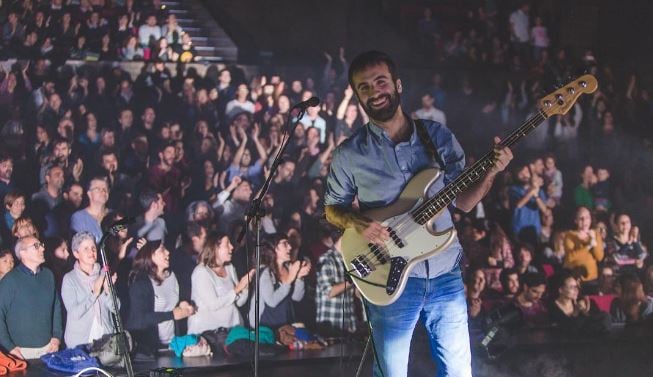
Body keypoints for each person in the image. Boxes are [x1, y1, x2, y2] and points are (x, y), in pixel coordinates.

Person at [324, 51, 513, 377]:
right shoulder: (349, 154)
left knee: (458, 371)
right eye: (364, 87)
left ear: (397, 84)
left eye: (380, 81)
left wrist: (491, 172)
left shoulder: (437, 137)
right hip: (389, 277)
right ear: (357, 96)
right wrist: (357, 222)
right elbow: (332, 209)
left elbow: (464, 202)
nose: (374, 91)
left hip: (445, 274)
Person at [126, 240, 195, 357]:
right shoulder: (141, 282)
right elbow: (139, 319)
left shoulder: (171, 275)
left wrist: (184, 302)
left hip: (172, 345)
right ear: (150, 256)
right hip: (149, 350)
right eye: (162, 250)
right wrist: (172, 315)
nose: (168, 252)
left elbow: (177, 299)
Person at [0, 235, 63, 359]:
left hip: (48, 349)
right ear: (23, 253)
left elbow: (56, 308)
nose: (42, 249)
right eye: (36, 246)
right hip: (21, 352)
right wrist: (9, 346)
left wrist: (56, 337)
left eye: (41, 245)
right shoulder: (10, 280)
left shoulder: (48, 275)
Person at [188, 233, 254, 334]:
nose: (232, 247)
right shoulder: (201, 272)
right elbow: (213, 305)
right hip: (208, 332)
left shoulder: (230, 268)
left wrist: (245, 288)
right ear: (215, 248)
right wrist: (238, 288)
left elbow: (239, 302)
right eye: (227, 244)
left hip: (231, 327)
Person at [61, 231, 118, 348]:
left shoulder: (104, 273)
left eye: (93, 248)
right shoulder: (70, 279)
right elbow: (74, 314)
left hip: (106, 340)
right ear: (76, 253)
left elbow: (116, 308)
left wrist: (108, 291)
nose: (91, 251)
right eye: (86, 248)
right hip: (80, 342)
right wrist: (94, 293)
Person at [248, 233, 311, 329]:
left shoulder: (287, 268)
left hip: (285, 323)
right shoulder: (264, 272)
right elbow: (272, 301)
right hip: (265, 326)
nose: (290, 247)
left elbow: (296, 298)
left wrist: (299, 277)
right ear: (273, 248)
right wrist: (290, 278)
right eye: (285, 244)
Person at [315, 232, 358, 335]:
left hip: (349, 323)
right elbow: (329, 292)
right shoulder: (327, 259)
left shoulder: (348, 260)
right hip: (331, 325)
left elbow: (356, 293)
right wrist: (354, 279)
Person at [563, 206, 604, 282]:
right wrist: (588, 246)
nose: (584, 221)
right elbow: (570, 257)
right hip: (576, 277)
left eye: (587, 217)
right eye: (581, 218)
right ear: (576, 220)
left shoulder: (596, 234)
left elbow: (599, 257)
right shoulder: (570, 235)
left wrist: (593, 240)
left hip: (593, 277)